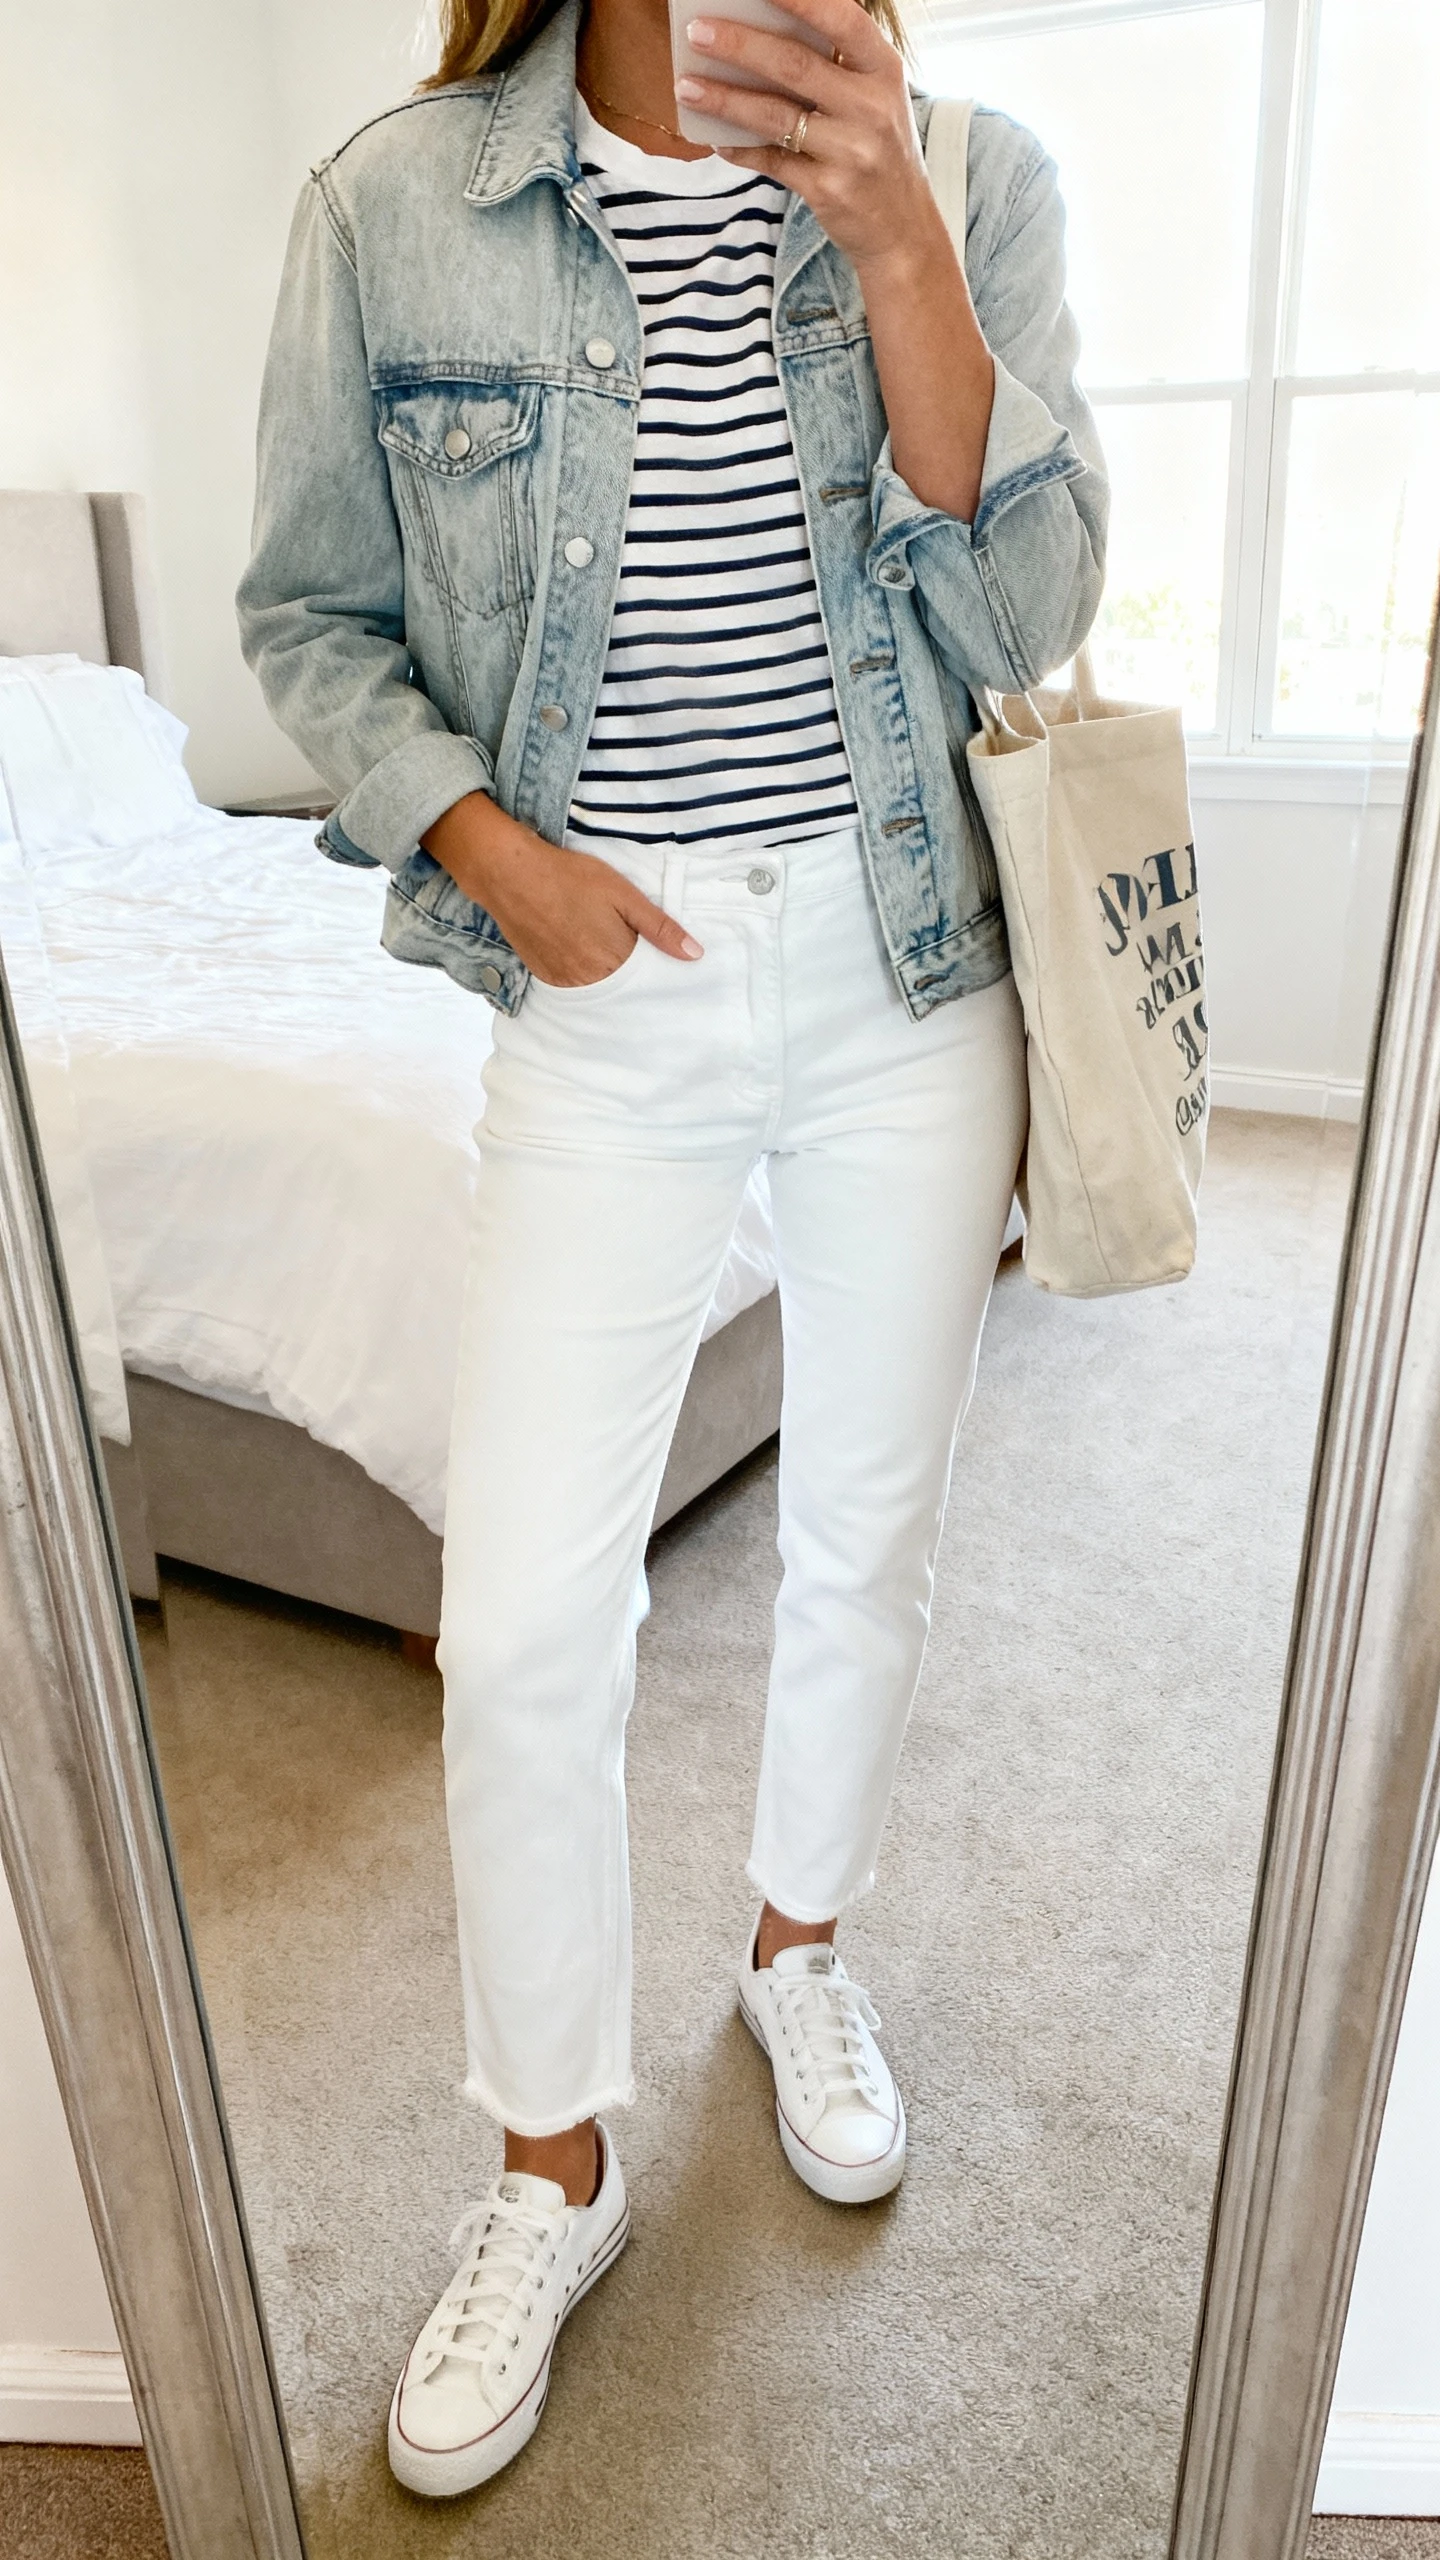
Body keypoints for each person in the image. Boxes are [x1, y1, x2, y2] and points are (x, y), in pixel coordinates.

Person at [239, 0, 1105, 2498]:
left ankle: (798, 1952)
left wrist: (899, 240)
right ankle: (553, 2160)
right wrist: (493, 854)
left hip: (904, 959)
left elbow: (1028, 606)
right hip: (601, 996)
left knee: (869, 1525)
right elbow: (313, 615)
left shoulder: (971, 171)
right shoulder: (392, 206)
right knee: (521, 1612)